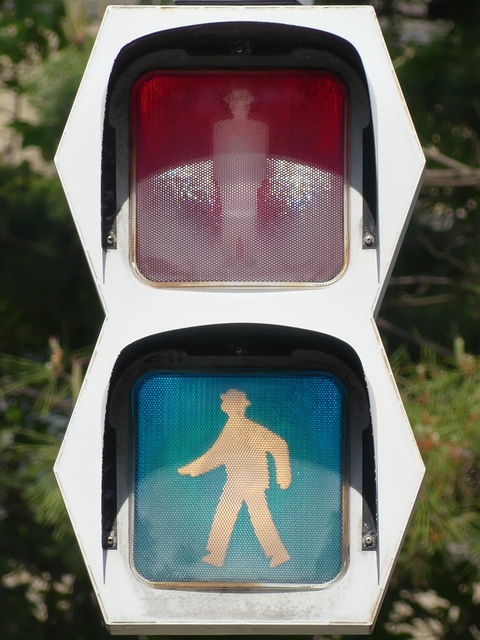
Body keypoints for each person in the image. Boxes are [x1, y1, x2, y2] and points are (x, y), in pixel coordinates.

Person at [178, 388, 291, 568]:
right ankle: (219, 554)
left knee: (242, 515)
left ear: (234, 405)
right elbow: (215, 455)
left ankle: (219, 555)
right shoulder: (232, 427)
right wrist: (191, 469)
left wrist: (284, 475)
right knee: (238, 514)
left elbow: (279, 445)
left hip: (247, 481)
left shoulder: (248, 428)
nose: (223, 404)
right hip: (240, 480)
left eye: (226, 401)